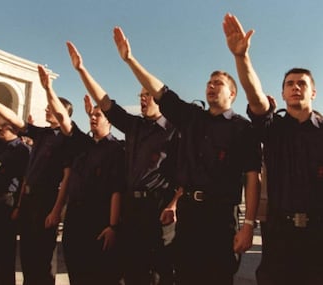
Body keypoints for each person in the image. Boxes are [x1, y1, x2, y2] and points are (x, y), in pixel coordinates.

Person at [112, 26, 262, 285]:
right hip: (189, 214)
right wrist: (130, 60)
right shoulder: (191, 118)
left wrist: (248, 224)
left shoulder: (242, 128)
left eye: (219, 83)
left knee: (217, 277)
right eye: (209, 82)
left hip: (220, 217)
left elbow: (252, 176)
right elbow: (161, 91)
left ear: (232, 94)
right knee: (184, 276)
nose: (211, 86)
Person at [67, 42, 180, 285]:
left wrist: (174, 203)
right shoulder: (133, 126)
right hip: (131, 211)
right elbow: (106, 103)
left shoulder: (174, 130)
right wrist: (81, 70)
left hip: (158, 211)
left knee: (158, 274)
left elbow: (186, 174)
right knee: (131, 271)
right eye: (140, 95)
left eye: (147, 94)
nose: (142, 99)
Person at [223, 13, 323, 285]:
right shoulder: (274, 128)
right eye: (290, 84)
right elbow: (255, 98)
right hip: (279, 235)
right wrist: (242, 58)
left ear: (313, 92)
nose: (296, 87)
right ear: (282, 94)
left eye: (302, 83)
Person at [0, 73, 72, 285]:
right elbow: (14, 118)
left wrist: (57, 210)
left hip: (46, 201)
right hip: (29, 201)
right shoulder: (42, 134)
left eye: (52, 106)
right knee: (28, 256)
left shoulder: (68, 139)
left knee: (43, 260)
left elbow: (66, 176)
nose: (46, 109)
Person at [39, 64, 125, 284]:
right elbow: (62, 117)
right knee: (76, 273)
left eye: (98, 115)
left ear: (109, 121)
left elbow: (117, 190)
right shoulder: (83, 144)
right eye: (92, 115)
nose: (93, 118)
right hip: (75, 220)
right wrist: (49, 90)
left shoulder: (117, 150)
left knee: (99, 276)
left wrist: (113, 226)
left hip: (99, 221)